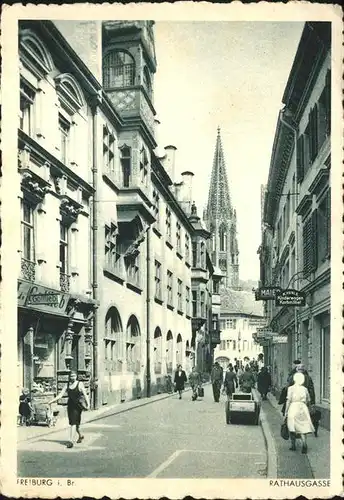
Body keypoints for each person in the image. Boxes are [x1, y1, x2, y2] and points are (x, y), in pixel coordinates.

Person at [48, 371, 90, 448]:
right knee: (75, 423)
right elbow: (60, 395)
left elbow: (85, 394)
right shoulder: (67, 385)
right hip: (70, 406)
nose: (72, 377)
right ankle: (80, 435)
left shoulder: (79, 384)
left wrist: (88, 404)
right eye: (71, 376)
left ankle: (70, 441)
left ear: (76, 376)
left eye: (74, 376)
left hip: (78, 406)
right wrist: (51, 401)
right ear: (69, 377)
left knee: (73, 423)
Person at [285, 372, 314, 453]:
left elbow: (288, 400)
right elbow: (308, 401)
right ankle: (304, 444)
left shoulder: (291, 388)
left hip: (293, 407)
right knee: (303, 427)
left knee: (292, 426)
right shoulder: (305, 389)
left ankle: (293, 445)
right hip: (303, 407)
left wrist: (286, 412)